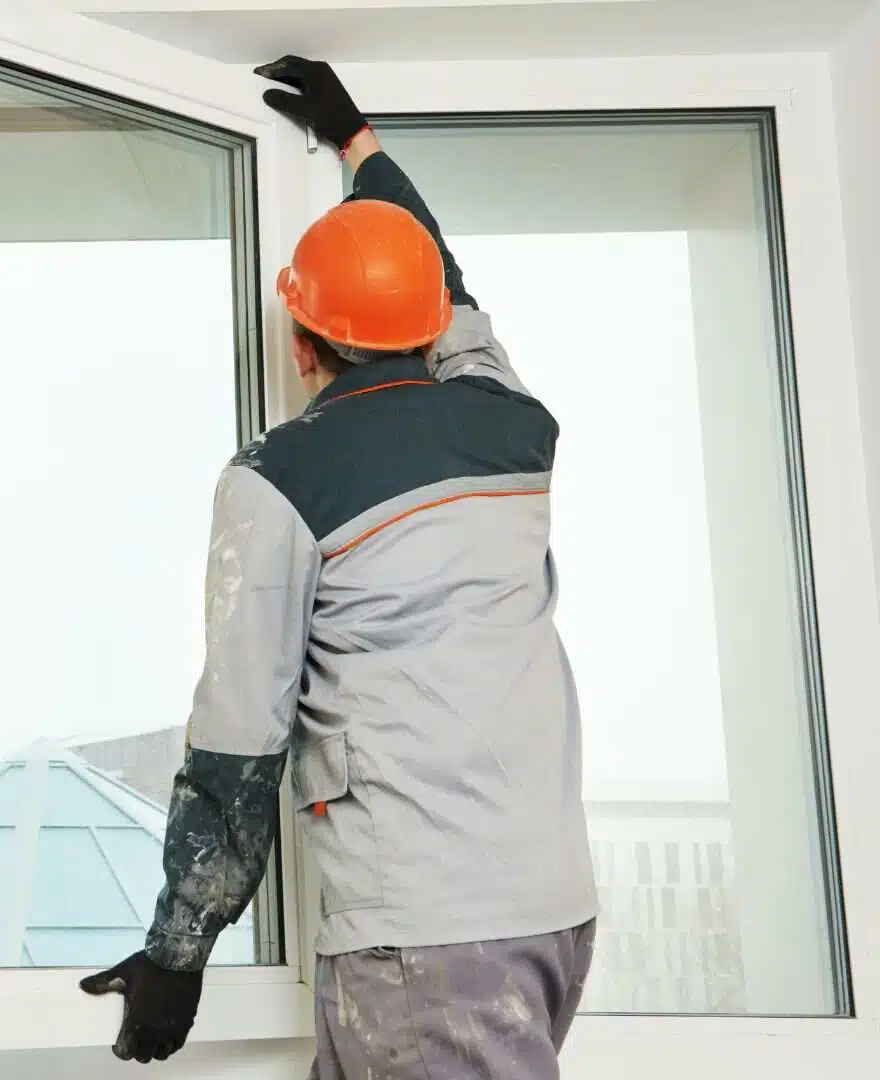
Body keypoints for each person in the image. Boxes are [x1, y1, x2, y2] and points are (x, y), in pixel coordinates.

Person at [82, 57, 597, 1080]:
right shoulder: (510, 418)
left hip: (429, 940)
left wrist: (178, 953)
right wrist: (357, 140)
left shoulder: (279, 480)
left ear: (300, 338)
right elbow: (442, 279)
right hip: (550, 917)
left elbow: (239, 740)